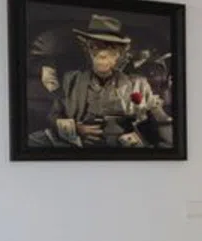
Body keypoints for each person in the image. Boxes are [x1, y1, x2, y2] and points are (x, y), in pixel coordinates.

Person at [27, 16, 174, 150]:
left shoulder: (138, 83)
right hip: (78, 144)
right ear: (87, 50)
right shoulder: (71, 80)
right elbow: (54, 116)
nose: (102, 54)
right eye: (96, 47)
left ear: (119, 53)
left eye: (110, 48)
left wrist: (138, 137)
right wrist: (75, 129)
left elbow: (158, 121)